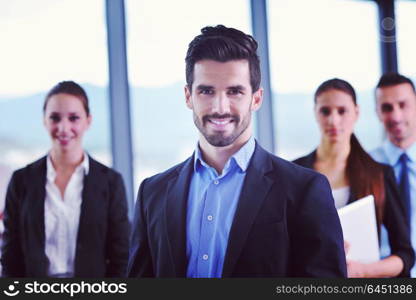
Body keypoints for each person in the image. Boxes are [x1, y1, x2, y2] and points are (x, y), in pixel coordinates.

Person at [127, 25, 347, 278]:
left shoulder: (304, 189)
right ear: (189, 96)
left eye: (234, 91)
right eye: (207, 91)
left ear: (256, 98)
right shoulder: (152, 193)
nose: (220, 107)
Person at [1, 81, 130, 277]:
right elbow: (10, 257)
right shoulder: (21, 181)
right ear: (45, 121)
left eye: (73, 118)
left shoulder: (111, 182)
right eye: (55, 118)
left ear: (88, 120)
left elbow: (121, 257)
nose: (63, 127)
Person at [293, 78, 414, 277]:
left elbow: (405, 254)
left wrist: (364, 271)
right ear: (315, 113)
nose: (333, 120)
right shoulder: (294, 172)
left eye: (342, 111)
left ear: (356, 112)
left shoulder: (379, 174)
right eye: (325, 111)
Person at [371, 73, 416, 277]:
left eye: (403, 105)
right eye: (387, 108)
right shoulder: (367, 167)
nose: (395, 116)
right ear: (377, 113)